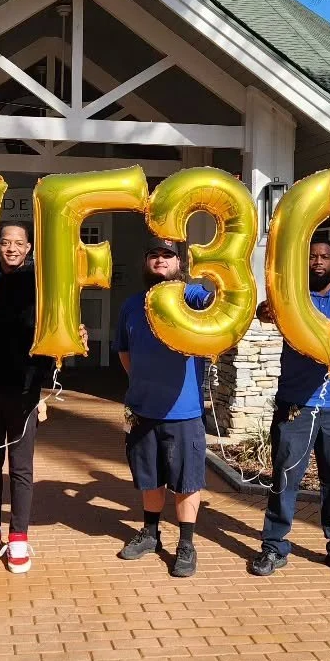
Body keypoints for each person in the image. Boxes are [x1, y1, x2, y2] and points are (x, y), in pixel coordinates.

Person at [0, 222, 86, 574]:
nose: (12, 248)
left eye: (19, 243)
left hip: (24, 390)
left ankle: (18, 535)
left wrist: (42, 390)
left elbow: (54, 333)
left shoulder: (40, 285)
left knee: (22, 467)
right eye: (5, 242)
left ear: (29, 248)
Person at [250, 236, 330, 580]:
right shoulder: (291, 302)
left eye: (324, 256)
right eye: (313, 256)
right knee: (285, 479)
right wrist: (264, 310)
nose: (318, 261)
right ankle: (273, 548)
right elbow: (264, 312)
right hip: (296, 406)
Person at [114, 237, 212, 578]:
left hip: (184, 412)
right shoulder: (131, 305)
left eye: (167, 255)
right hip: (143, 409)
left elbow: (219, 302)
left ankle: (186, 544)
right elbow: (124, 351)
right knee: (149, 477)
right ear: (146, 262)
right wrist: (141, 381)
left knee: (186, 481)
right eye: (153, 254)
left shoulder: (192, 297)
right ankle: (151, 533)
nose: (160, 260)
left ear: (179, 263)